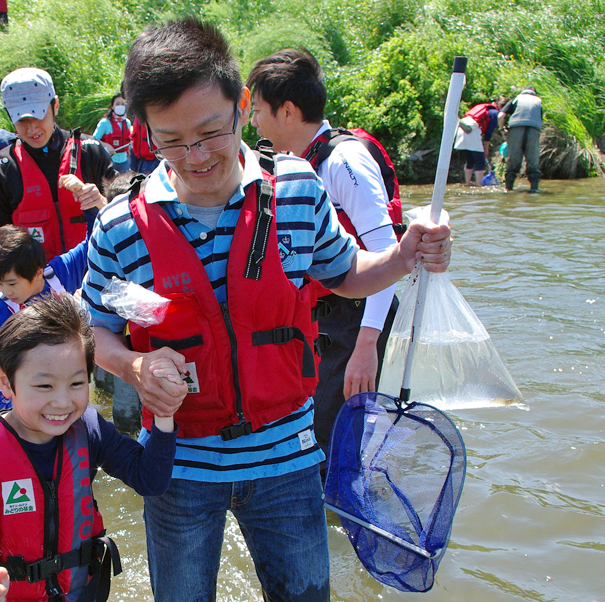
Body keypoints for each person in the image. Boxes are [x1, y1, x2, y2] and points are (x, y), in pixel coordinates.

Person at [81, 18, 452, 601]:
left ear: (242, 105)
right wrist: (134, 368)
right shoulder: (120, 226)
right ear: (143, 131)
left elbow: (348, 274)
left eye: (210, 131)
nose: (195, 156)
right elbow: (98, 335)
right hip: (178, 469)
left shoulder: (299, 190)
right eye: (171, 140)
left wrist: (404, 255)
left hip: (287, 459)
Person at [0, 293, 182, 602]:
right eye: (44, 386)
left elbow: (150, 480)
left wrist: (164, 415)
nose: (63, 402)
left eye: (77, 384)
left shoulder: (89, 429)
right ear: (6, 383)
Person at [246, 47, 403, 458]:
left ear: (288, 112)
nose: (253, 121)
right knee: (316, 434)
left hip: (358, 319)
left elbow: (388, 253)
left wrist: (366, 347)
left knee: (335, 443)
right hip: (327, 317)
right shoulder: (296, 162)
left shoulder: (343, 160)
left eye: (258, 109)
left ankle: (341, 519)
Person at [0, 67, 117, 260]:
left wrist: (102, 203)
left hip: (95, 274)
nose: (32, 128)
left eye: (39, 115)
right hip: (35, 283)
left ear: (55, 105)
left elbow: (126, 214)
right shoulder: (0, 169)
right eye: (22, 120)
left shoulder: (90, 151)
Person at [0, 221, 88, 341]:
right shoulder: (3, 310)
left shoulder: (60, 272)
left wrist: (93, 206)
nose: (7, 292)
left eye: (12, 284)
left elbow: (92, 242)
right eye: (0, 283)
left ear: (38, 273)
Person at [498, 86, 544, 192]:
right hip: (533, 130)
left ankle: (508, 189)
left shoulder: (516, 99)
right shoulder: (538, 101)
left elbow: (500, 115)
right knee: (533, 162)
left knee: (513, 161)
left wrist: (502, 130)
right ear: (534, 93)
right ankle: (534, 189)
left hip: (515, 130)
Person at [455, 98, 505, 186]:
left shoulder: (486, 109)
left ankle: (468, 183)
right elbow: (488, 133)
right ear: (500, 106)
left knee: (470, 159)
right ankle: (479, 184)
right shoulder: (495, 113)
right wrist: (486, 149)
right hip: (471, 130)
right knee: (480, 160)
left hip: (462, 127)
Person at [93, 94, 132, 173]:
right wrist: (106, 145)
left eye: (123, 104)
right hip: (109, 161)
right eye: (117, 104)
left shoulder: (127, 122)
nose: (120, 106)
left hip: (124, 162)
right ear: (112, 107)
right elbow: (94, 139)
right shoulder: (105, 122)